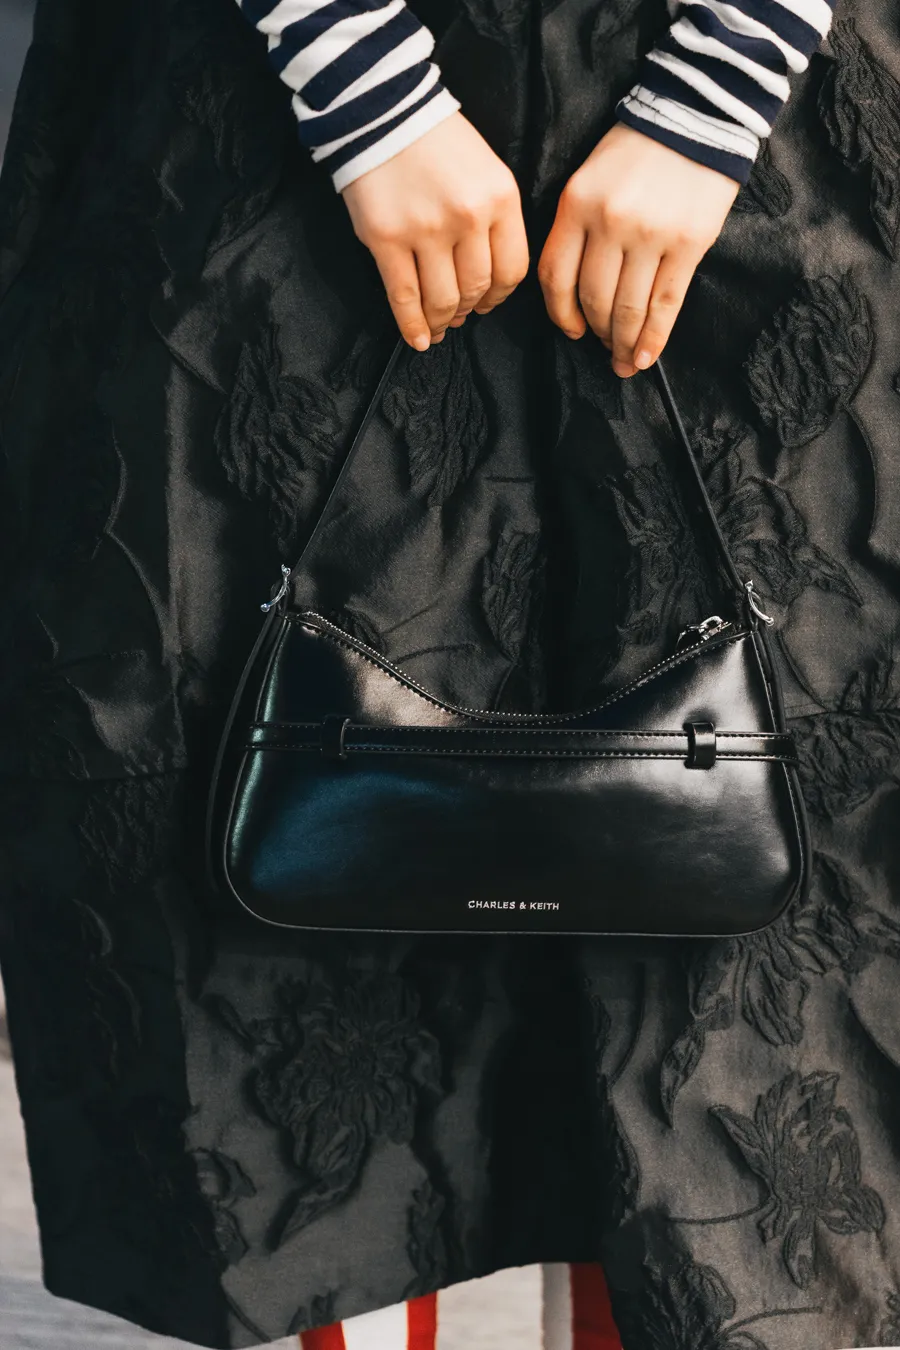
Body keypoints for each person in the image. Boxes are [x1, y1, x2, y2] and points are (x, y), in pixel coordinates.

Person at [1, 0, 898, 1346]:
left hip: (748, 136)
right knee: (277, 994)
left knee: (731, 1028)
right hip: (273, 124)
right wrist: (360, 82)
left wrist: (718, 84)